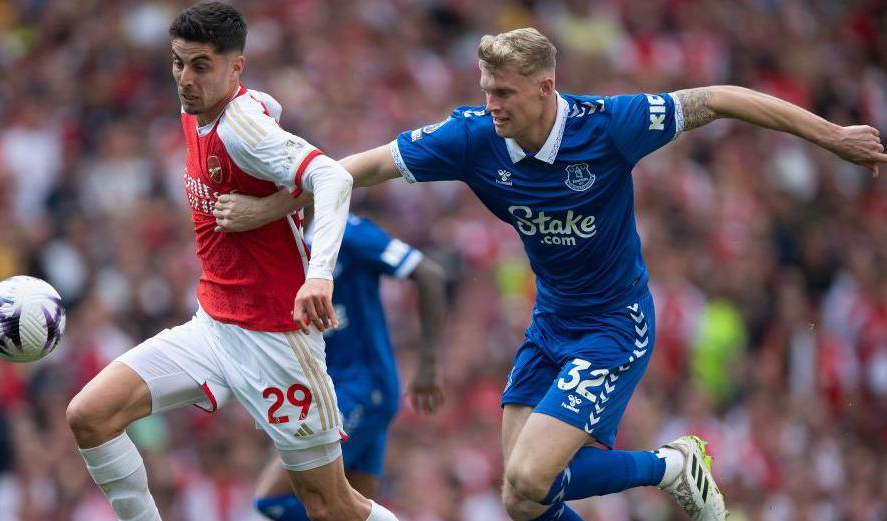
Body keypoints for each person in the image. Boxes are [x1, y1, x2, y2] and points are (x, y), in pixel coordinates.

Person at [249, 27, 887, 521]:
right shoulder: (471, 137)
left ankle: (672, 465)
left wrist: (832, 136)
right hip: (551, 322)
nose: (490, 103)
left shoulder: (609, 126)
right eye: (485, 89)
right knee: (521, 501)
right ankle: (663, 468)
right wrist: (277, 203)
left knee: (529, 479)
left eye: (504, 92)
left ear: (545, 87)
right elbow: (362, 167)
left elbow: (720, 99)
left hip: (615, 325)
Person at [64, 4, 401, 521]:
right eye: (178, 63)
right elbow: (266, 106)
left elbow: (333, 177)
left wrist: (319, 276)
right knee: (90, 415)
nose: (185, 78)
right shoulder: (200, 108)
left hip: (277, 341)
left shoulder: (241, 127)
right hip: (214, 326)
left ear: (235, 67)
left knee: (331, 506)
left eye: (201, 65)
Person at [210, 199, 447, 519]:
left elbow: (428, 273)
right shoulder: (275, 247)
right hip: (328, 392)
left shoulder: (346, 232)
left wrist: (429, 363)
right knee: (350, 510)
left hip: (363, 387)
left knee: (274, 501)